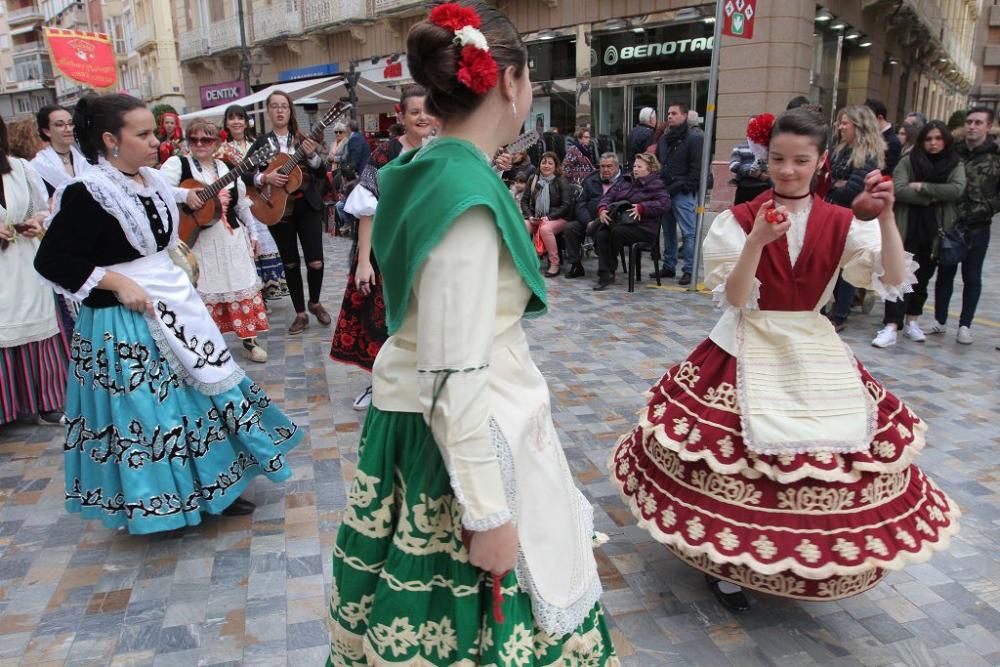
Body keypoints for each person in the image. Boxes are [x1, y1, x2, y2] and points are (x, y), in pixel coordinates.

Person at [328, 3, 615, 663]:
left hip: (428, 417)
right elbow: (453, 369)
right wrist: (486, 512)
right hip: (460, 437)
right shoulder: (463, 193)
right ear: (510, 82)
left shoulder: (428, 168)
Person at [610, 107, 957, 614]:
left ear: (820, 163)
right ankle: (726, 564)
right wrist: (756, 242)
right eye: (778, 159)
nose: (787, 170)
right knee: (734, 466)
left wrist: (884, 217)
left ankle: (790, 552)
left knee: (814, 459)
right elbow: (733, 296)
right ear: (765, 158)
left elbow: (889, 278)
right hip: (742, 343)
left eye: (800, 160)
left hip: (809, 342)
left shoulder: (841, 221)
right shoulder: (739, 220)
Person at [34, 93, 303, 533]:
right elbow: (51, 260)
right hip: (124, 322)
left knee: (202, 397)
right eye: (143, 134)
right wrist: (115, 282)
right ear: (110, 140)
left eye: (154, 132)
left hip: (175, 304)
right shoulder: (86, 193)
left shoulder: (151, 181)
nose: (156, 141)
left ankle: (218, 489)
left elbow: (182, 199)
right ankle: (167, 502)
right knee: (151, 414)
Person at [330, 85, 436, 412]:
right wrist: (364, 262)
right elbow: (366, 210)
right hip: (387, 255)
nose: (421, 117)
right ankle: (378, 385)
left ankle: (427, 386)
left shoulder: (443, 151)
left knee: (428, 322)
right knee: (381, 324)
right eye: (414, 111)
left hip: (430, 253)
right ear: (401, 116)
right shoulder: (385, 153)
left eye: (426, 110)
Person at [160, 119, 270, 363]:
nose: (200, 144)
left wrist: (253, 234)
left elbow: (242, 205)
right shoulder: (178, 164)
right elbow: (159, 189)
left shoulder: (227, 168)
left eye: (206, 139)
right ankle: (205, 344)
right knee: (204, 288)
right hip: (198, 240)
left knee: (240, 282)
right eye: (194, 139)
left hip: (231, 238)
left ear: (216, 143)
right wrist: (186, 194)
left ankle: (249, 341)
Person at [872, 121, 965, 348]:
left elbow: (956, 189)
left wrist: (923, 187)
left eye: (938, 138)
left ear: (945, 140)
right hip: (907, 227)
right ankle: (892, 324)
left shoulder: (954, 163)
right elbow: (900, 189)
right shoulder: (909, 161)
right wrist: (936, 194)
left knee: (922, 279)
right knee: (899, 277)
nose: (933, 143)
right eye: (928, 139)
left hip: (935, 231)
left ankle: (912, 320)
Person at [0, 116, 68, 427]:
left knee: (38, 325)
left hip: (24, 261)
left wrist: (36, 222)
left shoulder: (20, 169)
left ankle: (46, 401)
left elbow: (44, 207)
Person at [246, 90, 331, 335]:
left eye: (284, 106)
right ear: (269, 111)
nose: (280, 110)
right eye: (275, 106)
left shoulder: (302, 138)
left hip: (307, 206)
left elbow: (320, 171)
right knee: (290, 263)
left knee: (315, 261)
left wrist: (313, 154)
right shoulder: (262, 144)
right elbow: (243, 173)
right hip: (278, 208)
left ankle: (314, 302)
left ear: (290, 111)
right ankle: (300, 313)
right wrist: (264, 177)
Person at [931, 106, 1000, 345]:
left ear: (988, 126)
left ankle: (965, 325)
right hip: (951, 222)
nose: (972, 126)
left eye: (978, 122)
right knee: (945, 271)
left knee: (972, 275)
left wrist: (989, 207)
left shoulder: (995, 156)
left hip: (979, 225)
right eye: (969, 122)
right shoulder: (953, 152)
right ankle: (940, 320)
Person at [219, 104, 289, 304]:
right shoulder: (221, 149)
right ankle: (251, 294)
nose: (236, 122)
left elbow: (270, 166)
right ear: (226, 122)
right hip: (236, 201)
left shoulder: (257, 143)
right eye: (231, 118)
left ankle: (266, 291)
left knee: (263, 243)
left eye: (240, 117)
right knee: (245, 245)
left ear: (246, 121)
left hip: (259, 196)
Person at [826, 105, 885, 331]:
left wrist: (834, 185)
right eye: (840, 123)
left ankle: (840, 313)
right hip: (836, 214)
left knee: (848, 267)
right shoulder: (841, 150)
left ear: (859, 127)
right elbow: (829, 181)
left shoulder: (866, 154)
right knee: (834, 265)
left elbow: (852, 190)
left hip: (854, 220)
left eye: (845, 123)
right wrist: (834, 184)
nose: (841, 127)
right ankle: (837, 307)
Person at [591, 152, 670, 291]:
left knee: (616, 231)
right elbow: (608, 196)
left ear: (650, 168)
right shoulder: (625, 180)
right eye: (634, 166)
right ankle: (605, 275)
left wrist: (643, 207)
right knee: (602, 233)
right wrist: (602, 209)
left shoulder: (656, 184)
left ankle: (609, 268)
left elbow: (665, 204)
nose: (635, 169)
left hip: (644, 228)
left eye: (639, 166)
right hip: (622, 222)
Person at [655, 100, 703, 285]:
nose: (670, 116)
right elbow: (659, 163)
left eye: (674, 113)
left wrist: (686, 186)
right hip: (665, 191)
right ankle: (669, 266)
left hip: (682, 192)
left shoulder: (694, 138)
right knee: (667, 232)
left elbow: (696, 167)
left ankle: (689, 270)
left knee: (688, 233)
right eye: (668, 113)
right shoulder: (664, 139)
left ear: (684, 115)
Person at [563, 151, 621, 278]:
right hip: (589, 220)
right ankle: (576, 265)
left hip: (610, 222)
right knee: (570, 228)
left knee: (603, 232)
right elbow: (581, 204)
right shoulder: (591, 180)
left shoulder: (624, 182)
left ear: (616, 167)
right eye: (602, 166)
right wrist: (588, 222)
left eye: (609, 166)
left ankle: (607, 269)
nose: (605, 169)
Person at [520, 151, 574, 277]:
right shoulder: (533, 179)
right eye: (544, 162)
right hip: (537, 216)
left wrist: (549, 217)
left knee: (545, 229)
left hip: (558, 217)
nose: (546, 165)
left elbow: (566, 205)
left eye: (550, 163)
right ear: (539, 165)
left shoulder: (561, 180)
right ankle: (526, 260)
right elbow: (524, 201)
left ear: (556, 166)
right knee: (523, 225)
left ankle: (554, 264)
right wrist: (530, 216)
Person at [31, 105, 91, 197]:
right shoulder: (37, 165)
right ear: (47, 131)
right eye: (60, 124)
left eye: (71, 123)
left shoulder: (85, 161)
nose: (69, 129)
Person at [865, 98, 902, 174]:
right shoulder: (873, 136)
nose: (865, 124)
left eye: (868, 119)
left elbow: (886, 171)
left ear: (880, 118)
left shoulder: (893, 142)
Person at [729, 137, 770, 205]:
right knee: (741, 212)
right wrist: (749, 171)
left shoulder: (767, 146)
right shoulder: (740, 147)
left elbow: (769, 163)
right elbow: (733, 165)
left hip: (764, 187)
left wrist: (763, 172)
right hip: (745, 187)